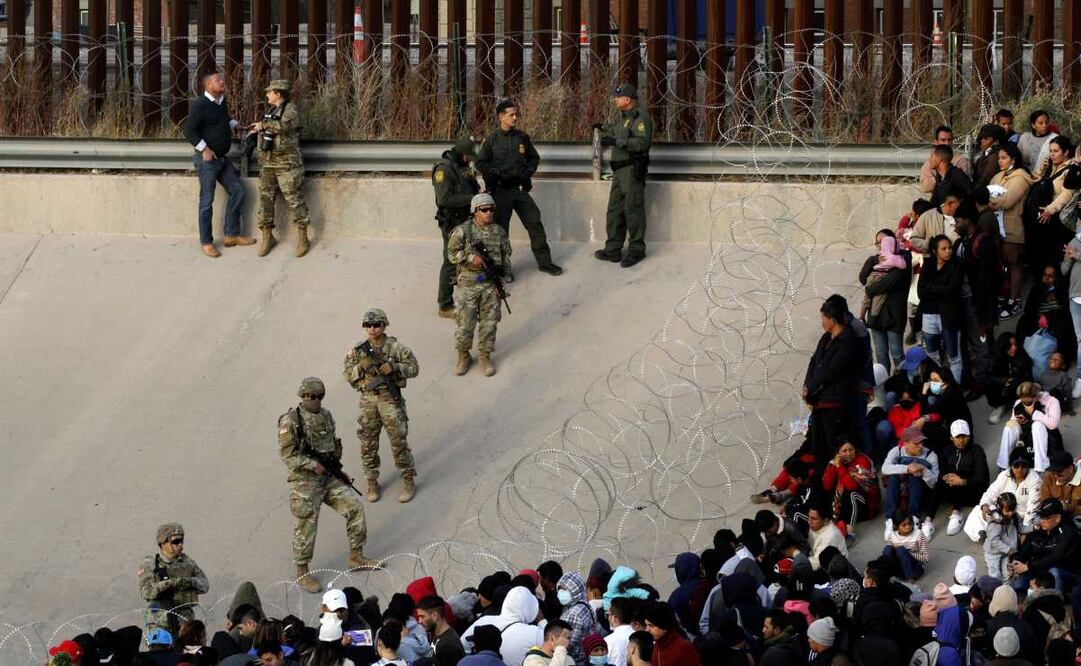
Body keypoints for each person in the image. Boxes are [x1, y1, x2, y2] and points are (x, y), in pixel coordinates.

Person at [279, 377, 379, 592]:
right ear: (301, 396)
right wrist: (310, 464)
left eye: (316, 397)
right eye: (308, 397)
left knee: (354, 507)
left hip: (328, 477)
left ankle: (356, 556)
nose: (312, 400)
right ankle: (302, 572)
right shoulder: (291, 421)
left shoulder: (326, 416)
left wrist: (339, 471)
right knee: (306, 526)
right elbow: (288, 455)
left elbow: (331, 449)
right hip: (305, 481)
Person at [474, 99, 562, 276]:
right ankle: (502, 269)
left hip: (519, 189)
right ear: (501, 117)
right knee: (500, 230)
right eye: (511, 114)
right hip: (499, 191)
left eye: (516, 114)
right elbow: (480, 163)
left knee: (534, 222)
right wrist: (497, 172)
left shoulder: (522, 137)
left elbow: (533, 158)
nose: (515, 117)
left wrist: (527, 173)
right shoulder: (491, 140)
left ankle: (545, 262)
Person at [343, 308, 420, 503]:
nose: (372, 329)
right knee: (368, 444)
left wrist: (395, 367)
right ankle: (372, 482)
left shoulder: (396, 348)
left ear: (384, 325)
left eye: (376, 325)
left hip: (389, 398)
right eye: (368, 325)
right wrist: (360, 367)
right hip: (368, 400)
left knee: (398, 442)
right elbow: (347, 374)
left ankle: (408, 480)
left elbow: (414, 368)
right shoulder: (359, 350)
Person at [181, 71, 252, 258]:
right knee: (206, 202)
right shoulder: (201, 105)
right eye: (217, 80)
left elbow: (224, 119)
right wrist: (204, 149)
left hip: (221, 159)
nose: (222, 82)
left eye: (222, 79)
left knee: (238, 190)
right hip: (207, 162)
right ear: (207, 86)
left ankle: (231, 235)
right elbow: (188, 130)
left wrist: (238, 126)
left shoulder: (221, 101)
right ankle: (206, 242)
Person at [446, 193, 512, 377]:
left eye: (491, 209)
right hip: (469, 283)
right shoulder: (463, 231)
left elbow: (506, 254)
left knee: (490, 322)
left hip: (491, 284)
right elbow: (451, 254)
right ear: (475, 211)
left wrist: (504, 278)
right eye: (484, 210)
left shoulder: (498, 231)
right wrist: (469, 257)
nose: (488, 213)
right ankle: (463, 355)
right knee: (465, 323)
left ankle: (485, 355)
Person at [250, 79, 311, 258]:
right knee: (265, 201)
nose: (267, 95)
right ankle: (267, 237)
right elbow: (271, 130)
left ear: (278, 93)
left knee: (294, 200)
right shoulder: (271, 111)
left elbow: (284, 127)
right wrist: (258, 130)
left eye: (270, 92)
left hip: (287, 165)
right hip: (268, 163)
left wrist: (263, 125)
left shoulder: (291, 109)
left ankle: (303, 238)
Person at [594, 83, 653, 267]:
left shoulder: (640, 117)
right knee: (615, 211)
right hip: (619, 172)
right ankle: (613, 249)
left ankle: (636, 250)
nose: (615, 99)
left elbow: (642, 143)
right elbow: (618, 130)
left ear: (628, 99)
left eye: (618, 97)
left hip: (631, 171)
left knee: (633, 211)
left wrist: (616, 142)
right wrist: (603, 127)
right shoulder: (625, 117)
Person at [803, 296, 862, 467]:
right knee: (817, 445)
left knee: (832, 446)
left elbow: (832, 371)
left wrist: (812, 386)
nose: (822, 321)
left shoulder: (848, 342)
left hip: (835, 402)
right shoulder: (826, 338)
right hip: (819, 401)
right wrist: (807, 385)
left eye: (823, 318)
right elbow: (814, 361)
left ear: (832, 320)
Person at [433, 136, 481, 319]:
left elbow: (470, 185)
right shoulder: (444, 170)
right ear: (461, 154)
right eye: (468, 156)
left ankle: (469, 295)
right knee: (451, 261)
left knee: (470, 257)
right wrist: (472, 199)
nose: (470, 159)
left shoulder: (463, 166)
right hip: (452, 222)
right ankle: (445, 305)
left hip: (466, 219)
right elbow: (444, 199)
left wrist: (479, 193)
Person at [137, 523, 209, 636]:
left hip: (184, 623)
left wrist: (189, 582)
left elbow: (204, 585)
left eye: (182, 541)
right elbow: (146, 592)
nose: (180, 545)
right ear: (163, 543)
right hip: (160, 623)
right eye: (175, 542)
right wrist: (168, 584)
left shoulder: (187, 563)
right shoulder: (151, 564)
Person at [990, 143, 1035, 319]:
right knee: (1003, 264)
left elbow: (1007, 201)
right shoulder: (999, 175)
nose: (1000, 161)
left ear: (1013, 159)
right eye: (999, 158)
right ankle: (1005, 296)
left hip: (1013, 227)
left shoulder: (1021, 177)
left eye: (1003, 158)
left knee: (1014, 264)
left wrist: (989, 201)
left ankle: (1014, 300)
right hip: (997, 227)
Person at [860, 230, 912, 373]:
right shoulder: (876, 262)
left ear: (893, 242)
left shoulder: (903, 259)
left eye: (883, 241)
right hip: (876, 319)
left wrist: (870, 290)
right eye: (878, 243)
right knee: (881, 357)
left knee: (897, 356)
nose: (880, 245)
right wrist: (874, 260)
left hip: (894, 317)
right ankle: (885, 391)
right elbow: (862, 278)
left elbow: (889, 282)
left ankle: (904, 390)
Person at [964, 447, 1040, 541]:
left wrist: (1024, 530)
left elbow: (1032, 508)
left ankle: (999, 536)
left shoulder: (1035, 479)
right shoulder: (1004, 475)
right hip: (1003, 513)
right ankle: (981, 536)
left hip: (1021, 518)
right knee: (977, 511)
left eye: (1024, 465)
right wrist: (985, 506)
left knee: (1035, 521)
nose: (1020, 469)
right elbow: (991, 493)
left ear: (1028, 466)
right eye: (1016, 465)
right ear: (1011, 465)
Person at [1025, 136, 1076, 275]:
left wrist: (1051, 209)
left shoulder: (1070, 170)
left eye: (1056, 151)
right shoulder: (1052, 167)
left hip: (1059, 220)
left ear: (1066, 152)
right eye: (1050, 151)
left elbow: (1067, 194)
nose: (1052, 154)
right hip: (1045, 220)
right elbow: (1036, 182)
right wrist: (1043, 169)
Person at [918, 234, 965, 381]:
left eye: (950, 248)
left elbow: (952, 290)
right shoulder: (928, 265)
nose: (948, 251)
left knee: (954, 357)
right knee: (932, 356)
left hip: (949, 317)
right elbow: (921, 292)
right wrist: (941, 289)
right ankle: (937, 389)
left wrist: (932, 288)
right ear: (935, 251)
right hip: (929, 315)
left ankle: (953, 391)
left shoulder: (957, 265)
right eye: (944, 248)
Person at [1009, 498, 1080, 594]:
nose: (1041, 521)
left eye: (1046, 518)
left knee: (1054, 572)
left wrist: (1029, 566)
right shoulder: (1039, 529)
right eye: (1041, 516)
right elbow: (1025, 550)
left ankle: (1055, 600)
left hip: (1065, 573)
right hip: (1038, 570)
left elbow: (1056, 557)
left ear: (1057, 518)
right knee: (1017, 587)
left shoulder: (1068, 532)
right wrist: (1016, 562)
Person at [881, 427, 940, 540]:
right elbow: (885, 468)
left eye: (921, 442)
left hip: (921, 495)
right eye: (916, 443)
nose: (920, 445)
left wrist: (924, 470)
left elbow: (934, 483)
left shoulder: (931, 455)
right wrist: (908, 468)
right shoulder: (896, 451)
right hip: (901, 493)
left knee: (915, 477)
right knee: (893, 478)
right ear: (906, 443)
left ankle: (914, 518)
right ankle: (891, 520)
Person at [461, 586, 544, 666]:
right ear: (531, 609)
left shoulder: (485, 620)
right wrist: (542, 621)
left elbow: (462, 644)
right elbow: (553, 644)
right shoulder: (535, 633)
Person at [937, 419, 990, 536]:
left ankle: (956, 513)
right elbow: (941, 470)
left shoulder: (977, 451)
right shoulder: (946, 451)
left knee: (958, 483)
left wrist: (963, 481)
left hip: (974, 491)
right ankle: (928, 520)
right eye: (958, 437)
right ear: (951, 437)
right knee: (937, 485)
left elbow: (982, 477)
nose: (961, 440)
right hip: (953, 487)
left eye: (964, 436)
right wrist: (947, 477)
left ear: (969, 436)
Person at [820, 440, 879, 544]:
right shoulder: (836, 462)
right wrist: (834, 466)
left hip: (868, 506)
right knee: (833, 492)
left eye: (851, 449)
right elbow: (827, 486)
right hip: (849, 507)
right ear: (838, 453)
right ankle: (839, 524)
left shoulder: (862, 461)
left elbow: (851, 486)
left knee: (852, 494)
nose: (848, 453)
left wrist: (840, 467)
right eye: (844, 450)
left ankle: (851, 535)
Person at [996, 381, 1062, 473]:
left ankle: (1041, 466)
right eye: (1022, 397)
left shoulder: (1051, 401)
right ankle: (1004, 464)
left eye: (1028, 397)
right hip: (1027, 437)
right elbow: (1014, 420)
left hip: (1048, 437)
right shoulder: (1019, 402)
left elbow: (1053, 424)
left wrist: (1034, 413)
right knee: (1009, 426)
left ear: (1036, 394)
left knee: (1037, 425)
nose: (1025, 400)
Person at [986, 333, 1033, 425]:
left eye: (1015, 344)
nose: (1014, 347)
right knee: (989, 383)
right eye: (1010, 345)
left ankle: (1020, 406)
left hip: (1016, 383)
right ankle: (999, 405)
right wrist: (1002, 381)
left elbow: (1027, 374)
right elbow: (988, 375)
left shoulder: (1020, 354)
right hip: (1002, 383)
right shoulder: (995, 356)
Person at [557, 571, 600, 663]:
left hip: (575, 660)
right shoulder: (584, 604)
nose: (561, 592)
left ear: (575, 590)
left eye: (565, 590)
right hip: (585, 656)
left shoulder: (573, 614)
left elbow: (567, 643)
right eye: (560, 589)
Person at [920, 125, 972, 194]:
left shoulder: (960, 160)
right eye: (943, 140)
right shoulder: (930, 162)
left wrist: (938, 178)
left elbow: (960, 184)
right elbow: (925, 187)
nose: (947, 143)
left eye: (949, 140)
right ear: (936, 142)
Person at [418, 595, 465, 666]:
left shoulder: (448, 646)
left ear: (434, 615)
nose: (419, 621)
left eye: (422, 616)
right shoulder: (439, 635)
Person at [881, 510, 928, 581]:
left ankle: (912, 582)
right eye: (904, 525)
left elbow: (925, 558)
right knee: (888, 548)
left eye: (909, 524)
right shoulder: (892, 536)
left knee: (901, 550)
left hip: (915, 569)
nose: (908, 527)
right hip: (900, 570)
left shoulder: (919, 534)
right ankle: (885, 578)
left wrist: (907, 553)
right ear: (896, 526)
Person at [985, 492, 1021, 581]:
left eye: (1013, 510)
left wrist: (1034, 527)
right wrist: (1008, 549)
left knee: (1007, 574)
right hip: (993, 554)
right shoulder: (996, 522)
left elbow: (1020, 528)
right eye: (1008, 511)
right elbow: (994, 540)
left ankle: (1005, 592)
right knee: (995, 576)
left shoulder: (1014, 517)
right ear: (1000, 508)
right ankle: (994, 592)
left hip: (1005, 553)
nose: (1011, 513)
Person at [1062, 231, 1081, 401]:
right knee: (1080, 340)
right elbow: (1063, 269)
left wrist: (1078, 255)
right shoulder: (1074, 240)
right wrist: (1068, 258)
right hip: (1075, 298)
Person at [1039, 451, 1081, 517]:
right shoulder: (1049, 477)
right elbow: (1044, 501)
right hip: (1054, 517)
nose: (1055, 476)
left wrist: (1068, 507)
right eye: (1053, 472)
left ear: (1070, 468)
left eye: (1059, 473)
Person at [807, 504, 847, 571]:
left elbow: (816, 564)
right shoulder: (817, 526)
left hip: (834, 570)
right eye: (809, 517)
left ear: (825, 521)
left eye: (813, 518)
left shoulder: (829, 537)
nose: (809, 521)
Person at [603, 598, 635, 666]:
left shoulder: (606, 642)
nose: (608, 618)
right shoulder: (641, 639)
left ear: (615, 618)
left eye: (608, 615)